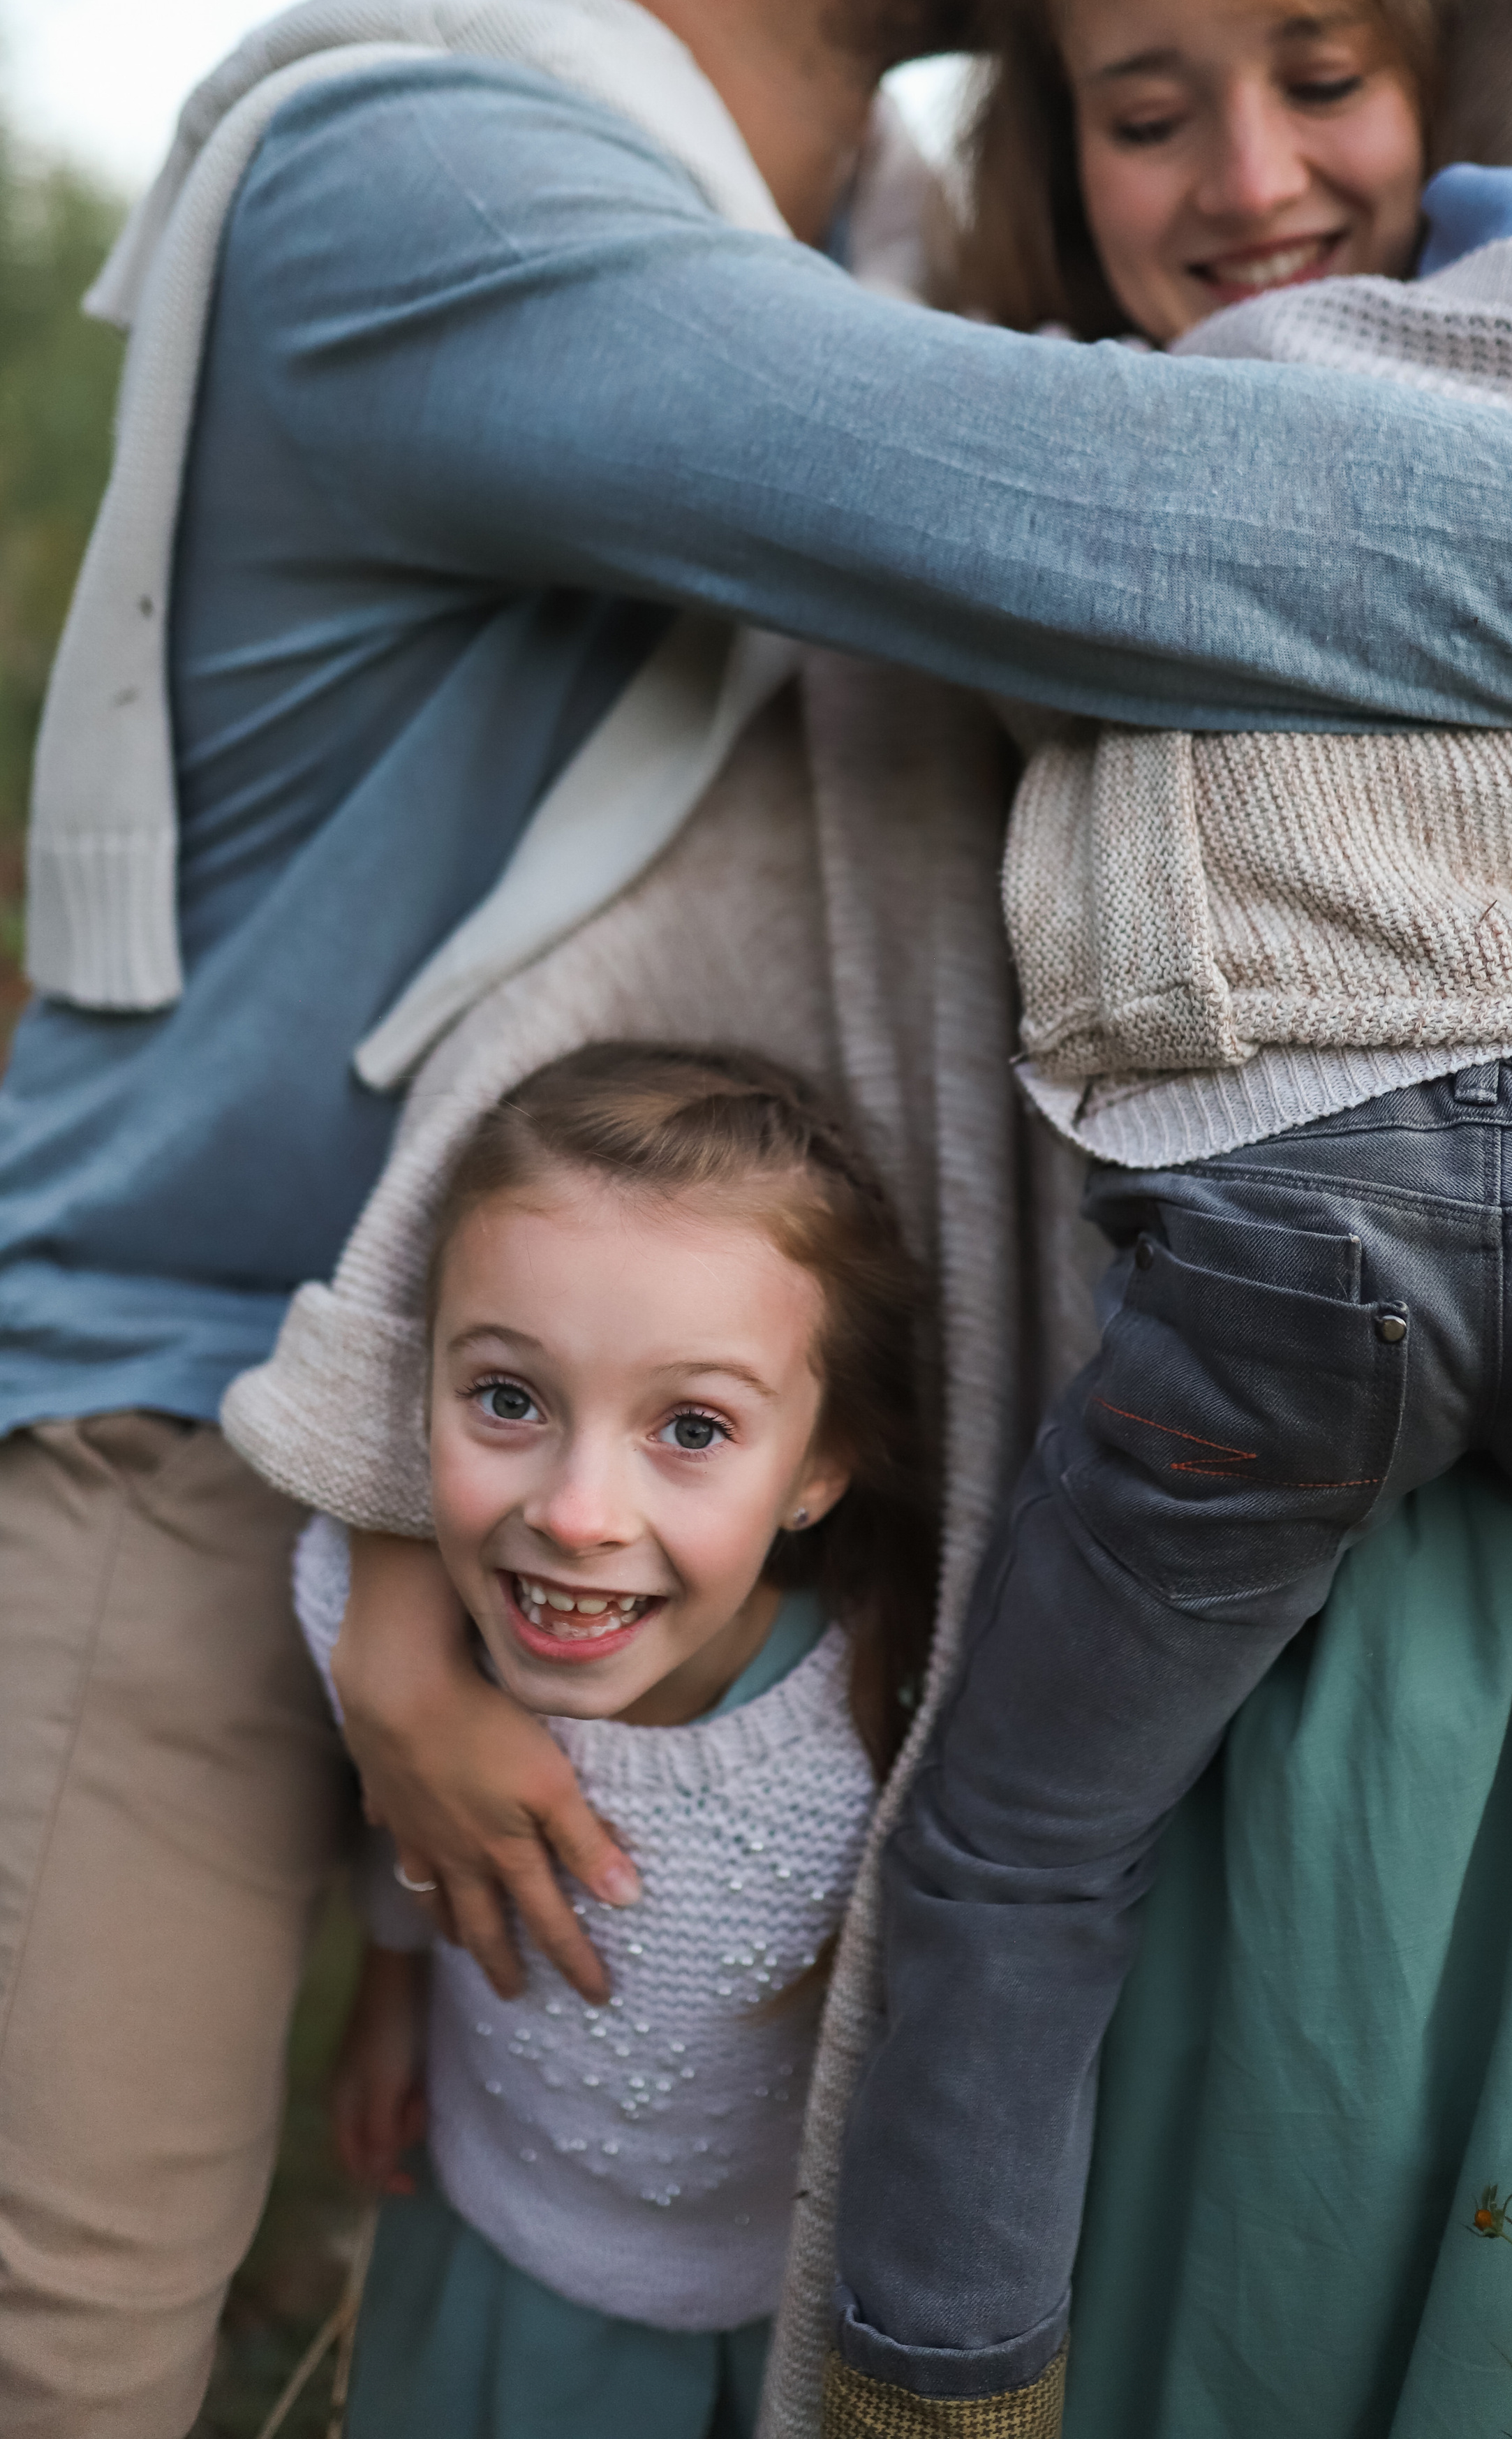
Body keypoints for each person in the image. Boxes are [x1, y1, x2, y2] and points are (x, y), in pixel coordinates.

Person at [8, 0, 1512, 2431]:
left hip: (577, 1453)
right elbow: (1146, 518)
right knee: (66, 2343)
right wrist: (378, 1515)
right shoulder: (446, 179)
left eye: (1322, 76)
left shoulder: (817, 242)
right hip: (183, 1420)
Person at [833, 0, 1512, 2430]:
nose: (1251, 182)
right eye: (1148, 116)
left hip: (1279, 1249)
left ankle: (939, 2375)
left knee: (1018, 1841)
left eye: (1325, 80)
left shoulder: (1165, 429)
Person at [294, 1043, 931, 2439]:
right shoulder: (377, 1632)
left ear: (820, 1464)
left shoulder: (880, 1731)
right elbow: (394, 1817)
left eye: (691, 1426)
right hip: (494, 2233)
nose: (578, 1513)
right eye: (507, 1398)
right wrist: (390, 1997)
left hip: (767, 2302)